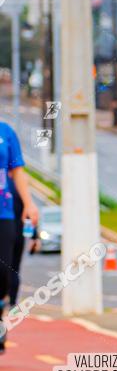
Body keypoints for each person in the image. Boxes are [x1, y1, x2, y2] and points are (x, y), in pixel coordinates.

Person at [0, 120, 38, 352]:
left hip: (3, 211)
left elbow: (18, 171)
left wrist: (29, 203)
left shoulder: (6, 132)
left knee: (3, 270)